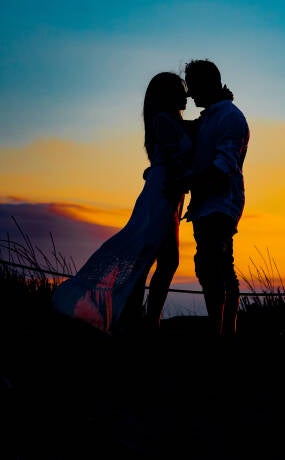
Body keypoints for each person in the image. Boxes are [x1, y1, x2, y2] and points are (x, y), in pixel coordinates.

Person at [51, 72, 193, 334]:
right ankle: (145, 320)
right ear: (167, 95)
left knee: (154, 256)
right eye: (180, 89)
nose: (185, 94)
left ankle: (140, 318)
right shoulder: (164, 120)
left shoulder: (169, 120)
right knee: (157, 256)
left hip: (169, 193)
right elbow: (179, 155)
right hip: (162, 192)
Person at [182, 59, 249, 337]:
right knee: (210, 264)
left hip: (221, 203)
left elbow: (224, 166)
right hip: (206, 204)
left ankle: (224, 331)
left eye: (193, 87)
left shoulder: (230, 117)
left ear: (207, 84)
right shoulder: (211, 116)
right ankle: (220, 328)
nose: (191, 95)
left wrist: (187, 181)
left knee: (216, 264)